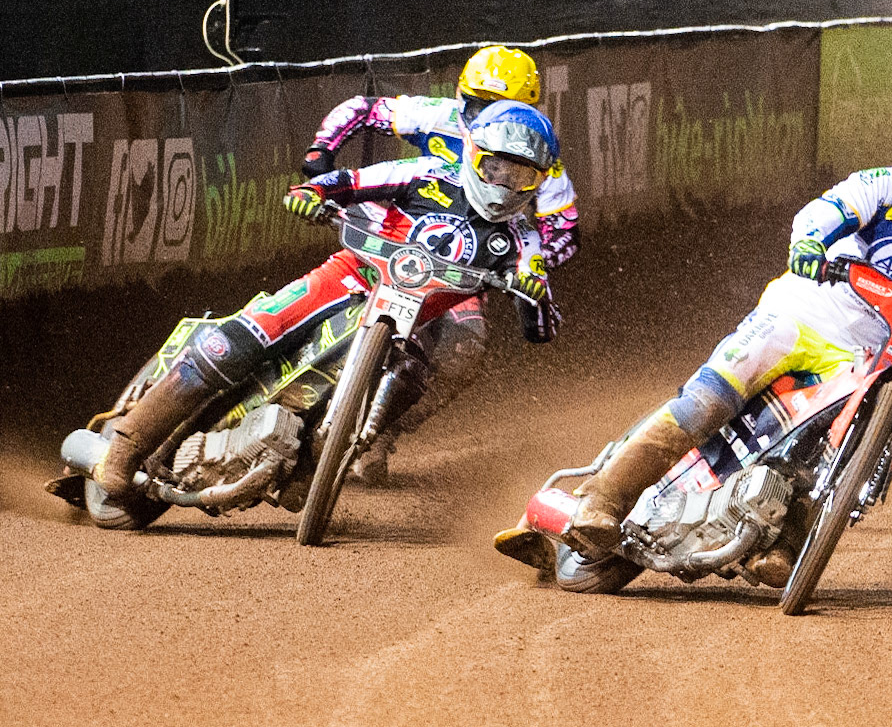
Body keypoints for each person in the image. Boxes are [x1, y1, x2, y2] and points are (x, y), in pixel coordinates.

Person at [494, 113, 892, 568]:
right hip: (804, 310)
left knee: (865, 455)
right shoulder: (888, 186)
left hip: (876, 358)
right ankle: (603, 499)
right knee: (708, 400)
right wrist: (811, 240)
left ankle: (787, 545)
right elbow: (826, 209)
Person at [93, 101, 562, 510]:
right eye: (496, 167)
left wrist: (533, 296)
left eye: (521, 174)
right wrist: (313, 194)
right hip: (349, 275)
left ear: (538, 181)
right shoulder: (427, 172)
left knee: (412, 377)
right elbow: (352, 181)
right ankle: (127, 447)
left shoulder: (522, 239)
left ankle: (312, 466)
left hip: (410, 324)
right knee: (240, 338)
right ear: (475, 154)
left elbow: (540, 324)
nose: (504, 183)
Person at [304, 45, 579, 480]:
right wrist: (322, 152)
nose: (484, 114)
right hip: (397, 232)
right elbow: (360, 109)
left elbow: (564, 232)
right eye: (477, 103)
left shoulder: (544, 161)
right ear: (460, 95)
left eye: (503, 107)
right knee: (329, 292)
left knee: (464, 347)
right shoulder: (436, 115)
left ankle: (377, 430)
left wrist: (527, 266)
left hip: (469, 257)